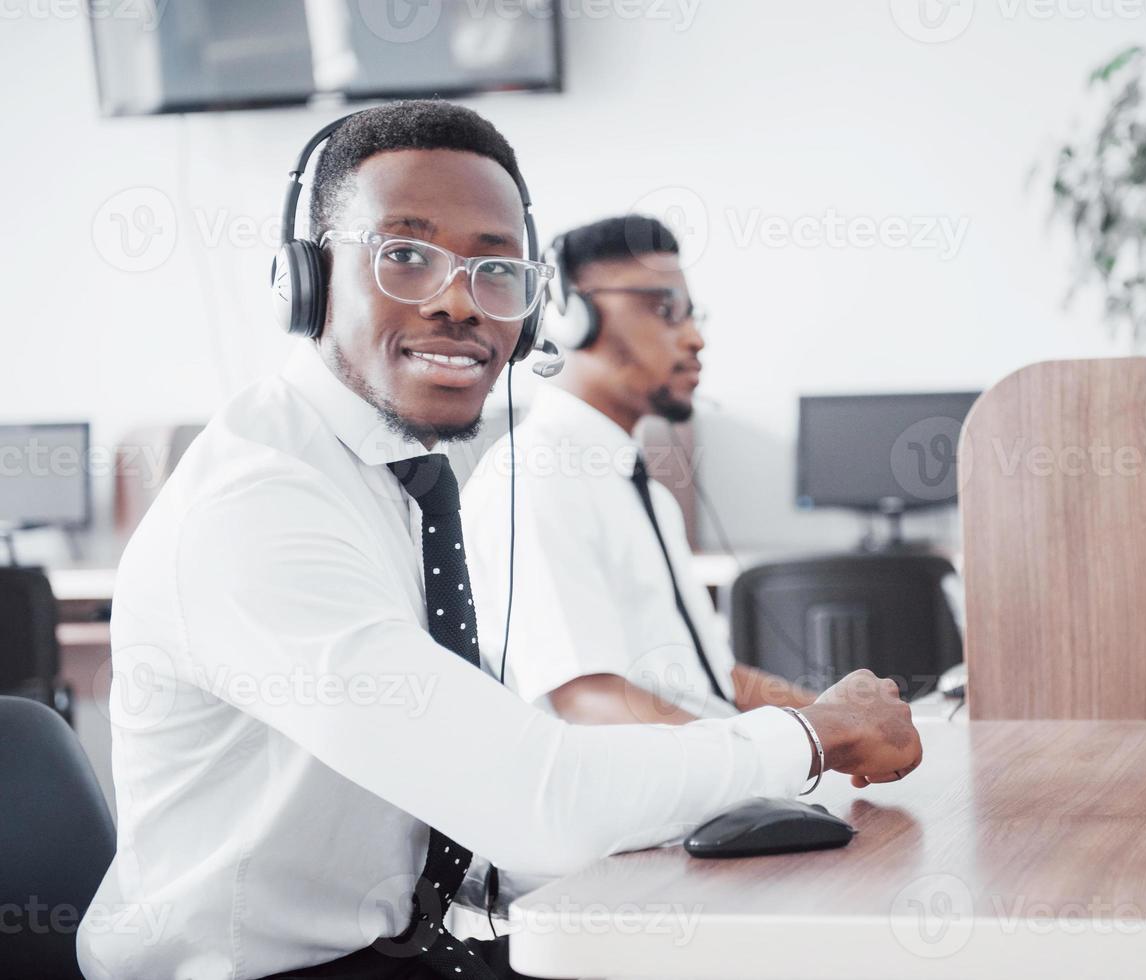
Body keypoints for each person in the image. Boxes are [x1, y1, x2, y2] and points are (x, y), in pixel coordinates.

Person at [78, 101, 921, 980]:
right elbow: (539, 803)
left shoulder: (397, 477)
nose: (457, 301)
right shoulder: (259, 508)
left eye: (495, 270)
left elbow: (514, 799)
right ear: (307, 279)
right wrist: (811, 739)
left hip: (409, 945)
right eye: (404, 254)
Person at [463, 216, 817, 724]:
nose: (696, 338)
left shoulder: (639, 486)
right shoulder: (536, 481)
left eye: (694, 315)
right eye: (665, 310)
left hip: (709, 780)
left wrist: (836, 720)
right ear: (571, 319)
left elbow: (711, 678)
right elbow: (589, 704)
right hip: (648, 797)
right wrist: (786, 753)